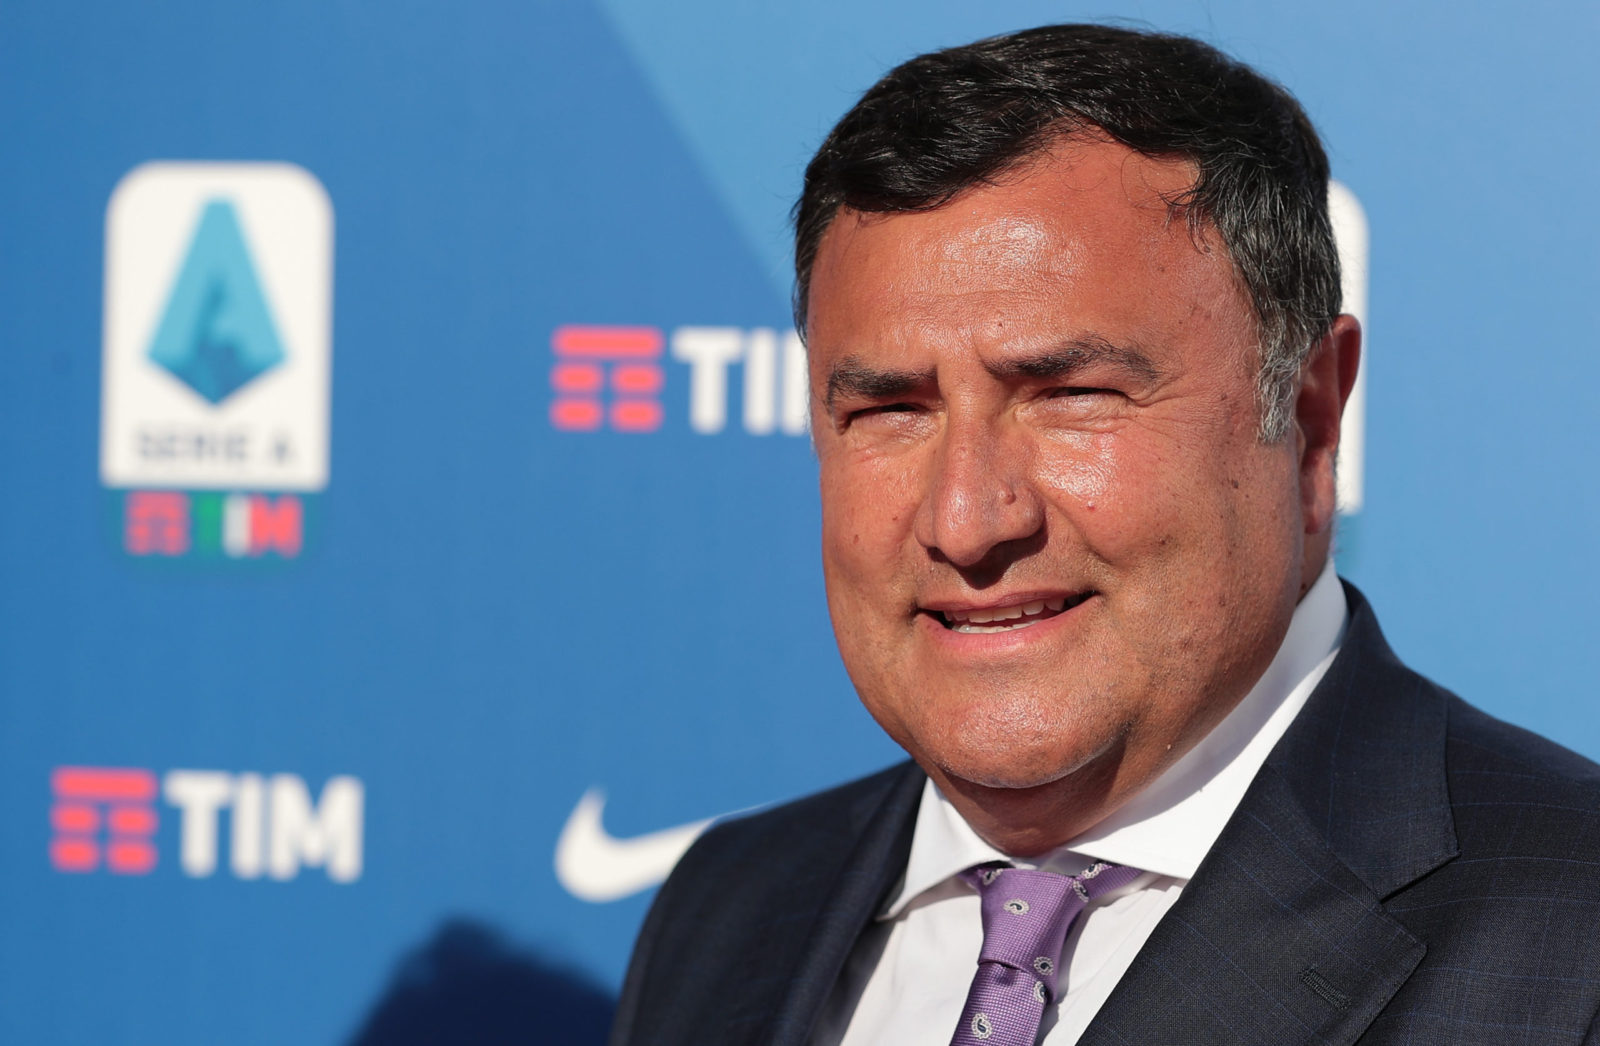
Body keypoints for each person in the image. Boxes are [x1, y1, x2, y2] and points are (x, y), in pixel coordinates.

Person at [609, 24, 1600, 1046]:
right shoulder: (729, 910)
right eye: (891, 410)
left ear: (1308, 414)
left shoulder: (1571, 936)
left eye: (1069, 396)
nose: (966, 520)